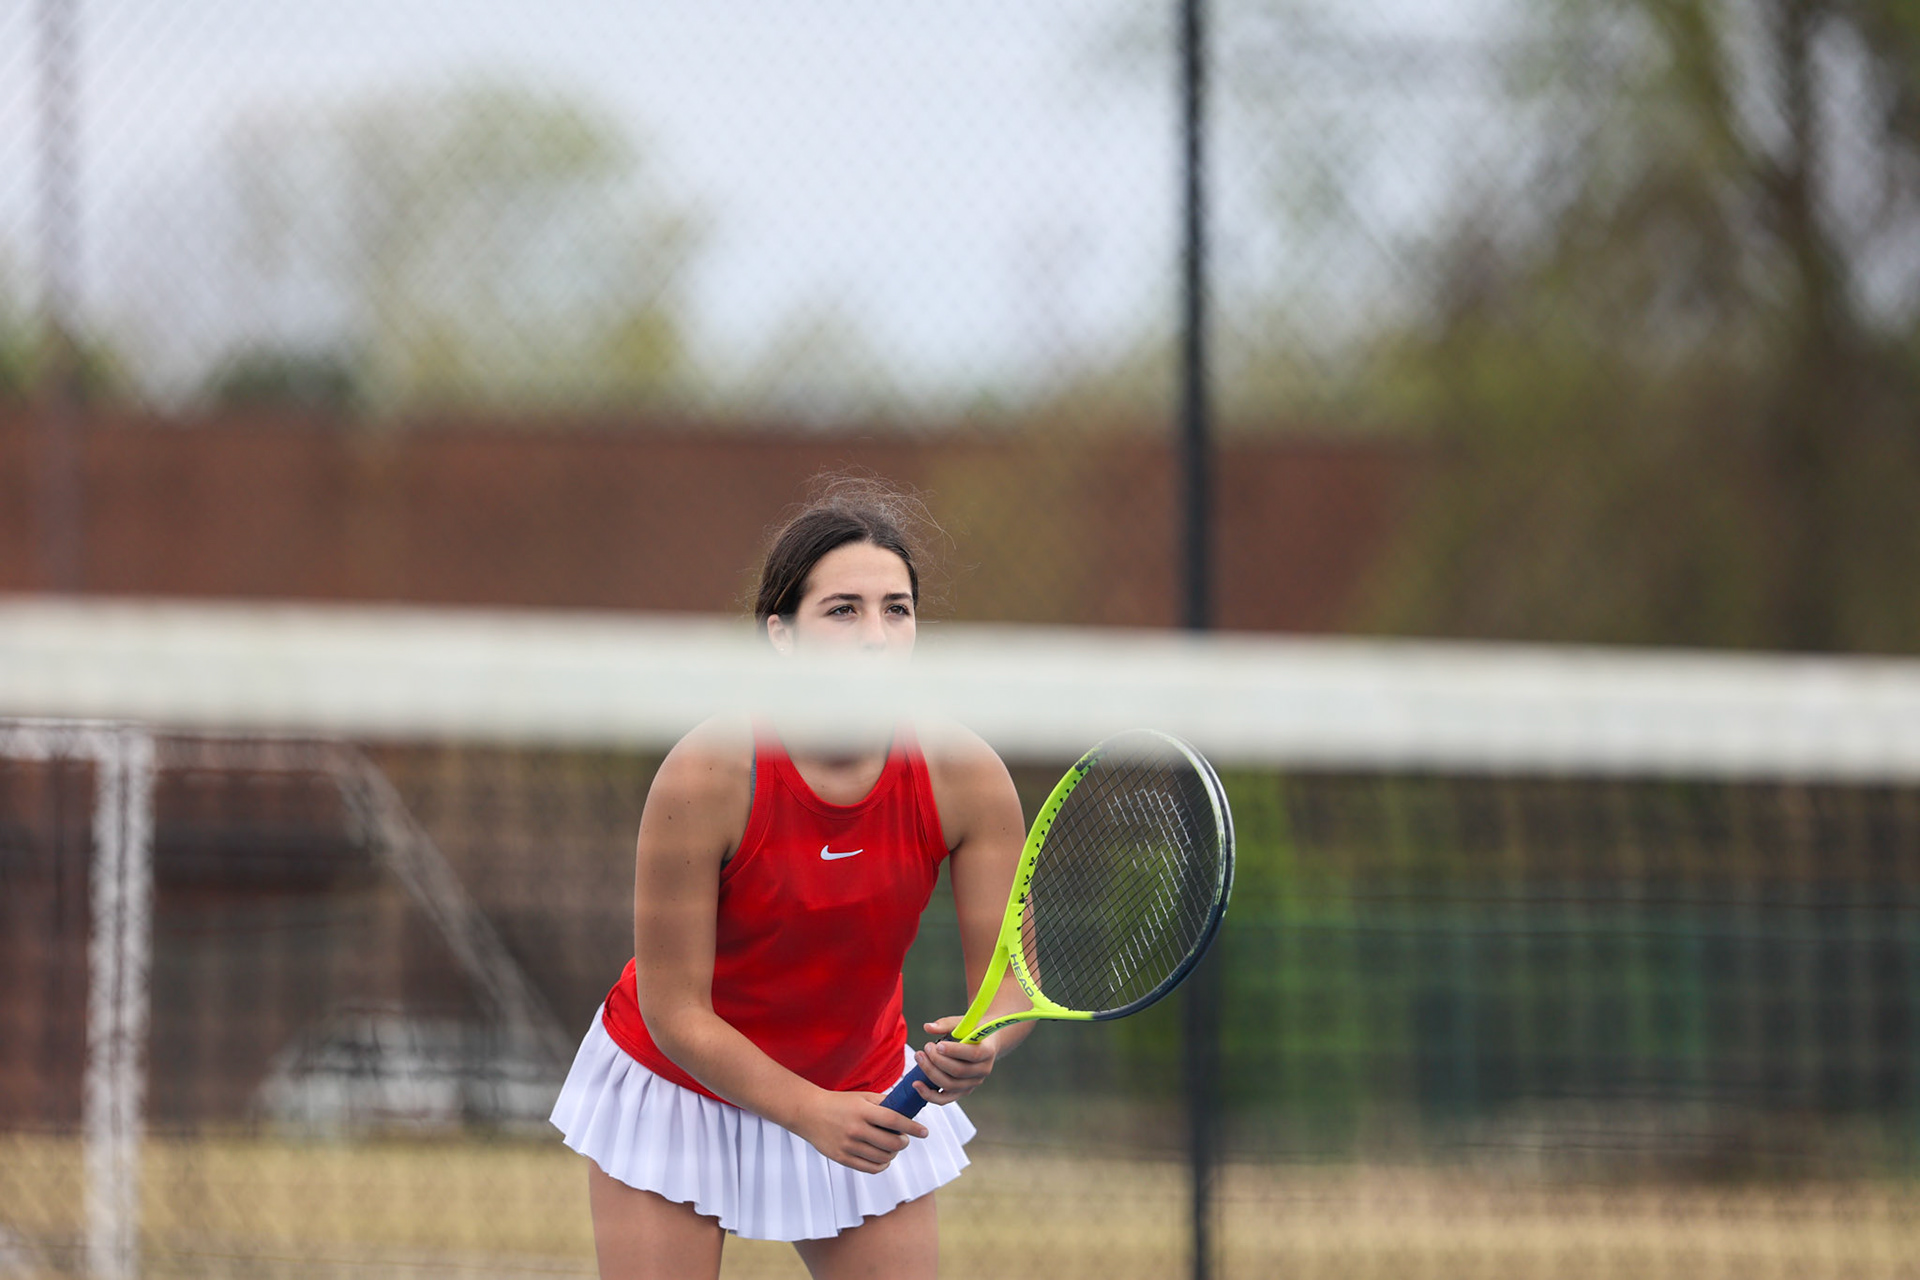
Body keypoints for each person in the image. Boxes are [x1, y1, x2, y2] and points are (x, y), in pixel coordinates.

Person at [550, 478, 1031, 1279]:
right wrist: (808, 1112)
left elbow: (1012, 983)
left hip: (863, 1088)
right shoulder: (707, 774)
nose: (875, 634)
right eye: (842, 610)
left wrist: (987, 1042)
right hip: (680, 1086)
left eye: (896, 609)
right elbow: (674, 1011)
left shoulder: (967, 777)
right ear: (781, 633)